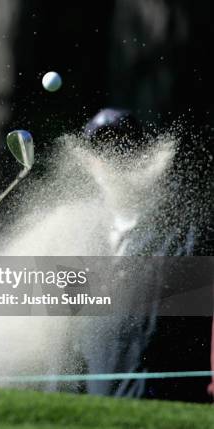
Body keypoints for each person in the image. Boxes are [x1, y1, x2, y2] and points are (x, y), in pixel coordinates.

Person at [79, 108, 212, 403]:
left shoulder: (185, 235)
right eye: (103, 149)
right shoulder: (77, 238)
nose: (114, 158)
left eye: (123, 146)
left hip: (165, 408)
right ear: (90, 162)